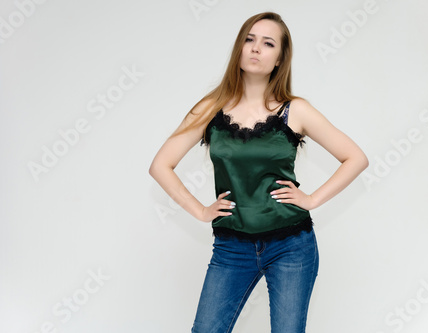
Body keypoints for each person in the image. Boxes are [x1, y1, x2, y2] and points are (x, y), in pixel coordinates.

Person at [148, 11, 369, 333]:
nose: (255, 48)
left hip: (291, 245)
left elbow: (355, 157)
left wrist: (311, 199)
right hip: (231, 247)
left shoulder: (296, 110)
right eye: (249, 40)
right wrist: (199, 210)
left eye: (267, 43)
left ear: (280, 58)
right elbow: (160, 165)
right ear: (239, 48)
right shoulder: (209, 108)